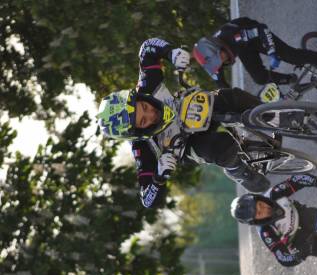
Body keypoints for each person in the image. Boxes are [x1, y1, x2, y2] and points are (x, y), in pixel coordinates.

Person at [97, 37, 271, 209]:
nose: (151, 113)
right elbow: (148, 200)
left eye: (144, 106)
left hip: (190, 108)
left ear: (138, 97)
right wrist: (158, 178)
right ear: (137, 133)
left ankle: (272, 113)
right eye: (143, 121)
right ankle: (241, 172)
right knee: (220, 148)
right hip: (187, 143)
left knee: (230, 97)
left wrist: (171, 53)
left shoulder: (147, 84)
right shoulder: (142, 149)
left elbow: (146, 49)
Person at [193, 17, 317, 89]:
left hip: (255, 36)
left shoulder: (234, 35)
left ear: (217, 47)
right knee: (259, 78)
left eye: (221, 57)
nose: (223, 61)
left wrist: (272, 51)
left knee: (291, 56)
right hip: (242, 48)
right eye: (220, 62)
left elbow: (262, 29)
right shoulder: (211, 63)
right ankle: (291, 80)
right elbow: (222, 87)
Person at [230, 174, 317, 267]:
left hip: (305, 216)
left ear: (259, 198)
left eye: (260, 204)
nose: (264, 209)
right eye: (259, 213)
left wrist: (316, 181)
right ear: (255, 221)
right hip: (300, 241)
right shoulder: (265, 232)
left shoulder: (273, 194)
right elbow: (282, 257)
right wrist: (297, 256)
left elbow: (295, 181)